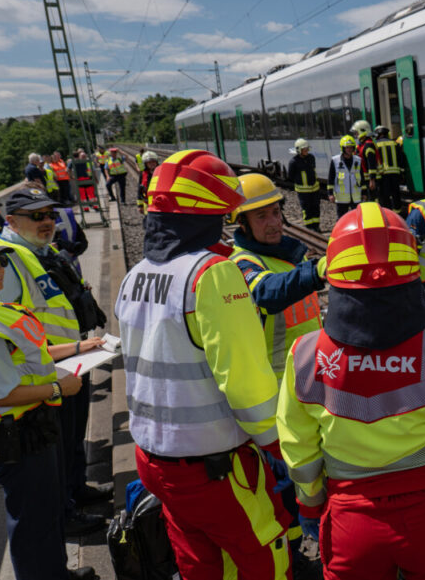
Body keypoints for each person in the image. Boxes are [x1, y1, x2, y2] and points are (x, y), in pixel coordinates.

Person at [277, 202, 425, 579]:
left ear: (334, 276)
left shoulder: (305, 354)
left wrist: (310, 505)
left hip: (351, 520)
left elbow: (298, 446)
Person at [115, 149, 291, 580]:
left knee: (198, 559)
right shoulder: (211, 273)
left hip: (154, 459)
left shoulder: (136, 274)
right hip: (213, 465)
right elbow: (244, 380)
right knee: (264, 557)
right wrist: (279, 446)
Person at [0, 232, 100, 580]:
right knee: (34, 518)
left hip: (26, 427)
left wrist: (77, 348)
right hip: (10, 433)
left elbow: (24, 359)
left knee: (46, 510)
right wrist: (57, 387)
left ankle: (56, 573)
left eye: (1, 260)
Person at [0, 188, 111, 534]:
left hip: (74, 359)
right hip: (46, 370)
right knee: (56, 445)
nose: (47, 222)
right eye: (37, 216)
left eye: (49, 215)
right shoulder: (8, 259)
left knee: (74, 436)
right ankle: (65, 513)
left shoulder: (40, 251)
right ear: (11, 221)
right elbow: (6, 326)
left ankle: (76, 490)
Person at [228, 172, 324, 381]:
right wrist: (316, 272)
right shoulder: (242, 262)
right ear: (242, 223)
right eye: (261, 216)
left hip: (312, 368)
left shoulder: (292, 253)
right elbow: (268, 293)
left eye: (275, 212)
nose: (273, 222)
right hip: (279, 380)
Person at [287, 138, 320, 231]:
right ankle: (309, 227)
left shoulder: (311, 158)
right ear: (299, 150)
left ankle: (316, 226)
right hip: (303, 191)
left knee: (316, 207)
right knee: (307, 209)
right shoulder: (293, 162)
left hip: (314, 189)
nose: (306, 151)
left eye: (307, 149)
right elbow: (291, 176)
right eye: (304, 149)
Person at [327, 135, 363, 217]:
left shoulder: (358, 160)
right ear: (343, 148)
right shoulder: (335, 160)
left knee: (358, 217)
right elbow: (331, 178)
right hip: (341, 198)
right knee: (342, 218)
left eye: (351, 147)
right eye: (347, 147)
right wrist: (330, 193)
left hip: (356, 197)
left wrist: (364, 193)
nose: (349, 149)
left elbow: (362, 178)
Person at [373, 126, 403, 211]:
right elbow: (401, 159)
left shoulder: (375, 144)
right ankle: (398, 214)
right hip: (395, 174)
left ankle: (387, 214)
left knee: (384, 197)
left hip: (383, 174)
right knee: (396, 195)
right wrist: (402, 173)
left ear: (380, 134)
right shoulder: (395, 143)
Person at [351, 119, 378, 201]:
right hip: (364, 179)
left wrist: (372, 179)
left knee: (372, 200)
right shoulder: (362, 144)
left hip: (369, 180)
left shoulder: (368, 145)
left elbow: (371, 163)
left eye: (356, 132)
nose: (356, 135)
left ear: (362, 131)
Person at [136, 150, 159, 215]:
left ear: (157, 162)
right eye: (149, 162)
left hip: (159, 203)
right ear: (145, 164)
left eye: (153, 162)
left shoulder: (162, 172)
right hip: (147, 204)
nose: (152, 164)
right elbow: (139, 190)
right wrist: (140, 205)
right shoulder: (143, 174)